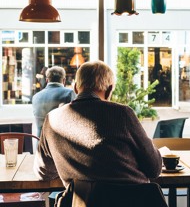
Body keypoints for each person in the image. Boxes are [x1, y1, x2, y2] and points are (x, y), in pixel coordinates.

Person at [34, 60, 162, 192]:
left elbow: (43, 173)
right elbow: (154, 168)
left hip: (82, 203)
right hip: (133, 200)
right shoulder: (122, 114)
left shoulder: (52, 119)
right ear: (109, 90)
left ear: (76, 88)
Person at [32, 66, 76, 137]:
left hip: (40, 143)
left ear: (47, 80)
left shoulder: (35, 97)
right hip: (60, 144)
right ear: (64, 80)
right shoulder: (69, 93)